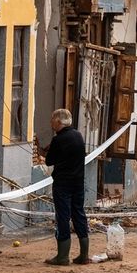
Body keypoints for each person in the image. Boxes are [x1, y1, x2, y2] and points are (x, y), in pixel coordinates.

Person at [42, 109, 90, 265]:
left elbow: (49, 161)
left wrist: (49, 152)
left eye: (52, 120)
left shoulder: (58, 140)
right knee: (79, 214)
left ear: (58, 122)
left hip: (63, 183)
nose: (50, 123)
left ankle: (62, 256)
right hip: (78, 182)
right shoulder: (78, 136)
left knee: (63, 216)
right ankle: (84, 255)